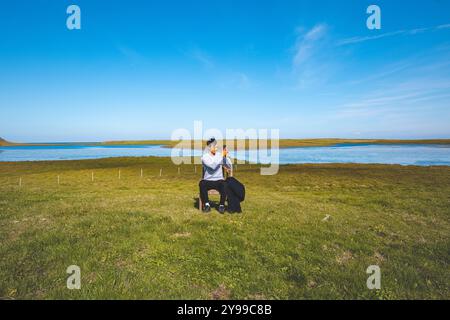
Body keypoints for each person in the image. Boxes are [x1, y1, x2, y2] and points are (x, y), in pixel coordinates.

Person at [199, 137, 232, 213]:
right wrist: (221, 156)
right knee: (202, 183)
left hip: (219, 180)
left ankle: (221, 205)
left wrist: (225, 156)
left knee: (225, 184)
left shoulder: (219, 155)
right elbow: (212, 166)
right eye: (215, 146)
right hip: (208, 181)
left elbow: (229, 166)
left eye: (217, 146)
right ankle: (207, 205)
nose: (217, 147)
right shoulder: (205, 157)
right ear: (209, 147)